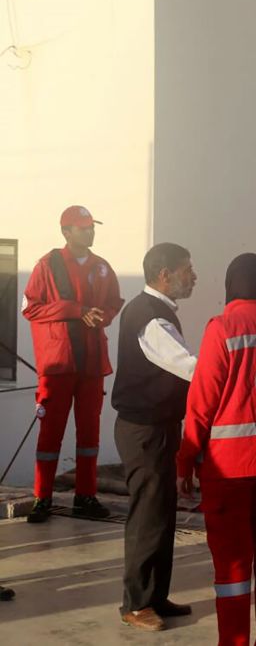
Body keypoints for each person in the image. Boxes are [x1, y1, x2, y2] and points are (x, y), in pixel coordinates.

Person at [176, 253, 256, 644]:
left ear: (230, 287)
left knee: (233, 569)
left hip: (229, 469)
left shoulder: (222, 328)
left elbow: (202, 402)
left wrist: (185, 459)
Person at [112, 243, 198, 631]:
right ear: (164, 274)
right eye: (187, 270)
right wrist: (230, 368)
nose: (193, 276)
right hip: (144, 430)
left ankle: (155, 596)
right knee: (148, 514)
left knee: (162, 513)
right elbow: (188, 367)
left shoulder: (153, 311)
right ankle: (136, 605)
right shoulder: (151, 318)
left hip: (158, 426)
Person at [22, 205, 124, 523]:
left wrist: (100, 316)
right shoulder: (47, 266)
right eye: (83, 228)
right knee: (50, 433)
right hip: (58, 364)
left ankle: (85, 496)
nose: (90, 232)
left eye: (91, 226)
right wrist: (75, 309)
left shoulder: (103, 267)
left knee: (89, 433)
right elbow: (31, 307)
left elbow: (113, 303)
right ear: (66, 232)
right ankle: (43, 497)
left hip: (92, 363)